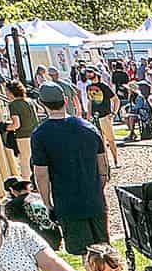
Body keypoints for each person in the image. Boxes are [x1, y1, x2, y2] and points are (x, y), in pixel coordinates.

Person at [28, 83, 111, 256]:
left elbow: (41, 174)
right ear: (66, 101)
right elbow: (103, 164)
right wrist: (99, 186)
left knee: (86, 253)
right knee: (104, 250)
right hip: (94, 198)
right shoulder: (88, 127)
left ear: (42, 104)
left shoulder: (40, 135)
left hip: (67, 202)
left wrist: (47, 203)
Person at [0, 81, 38, 174]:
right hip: (35, 133)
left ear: (11, 92)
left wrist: (4, 127)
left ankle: (26, 183)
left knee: (24, 162)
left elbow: (16, 125)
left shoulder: (14, 104)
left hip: (23, 136)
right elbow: (39, 110)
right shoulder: (30, 101)